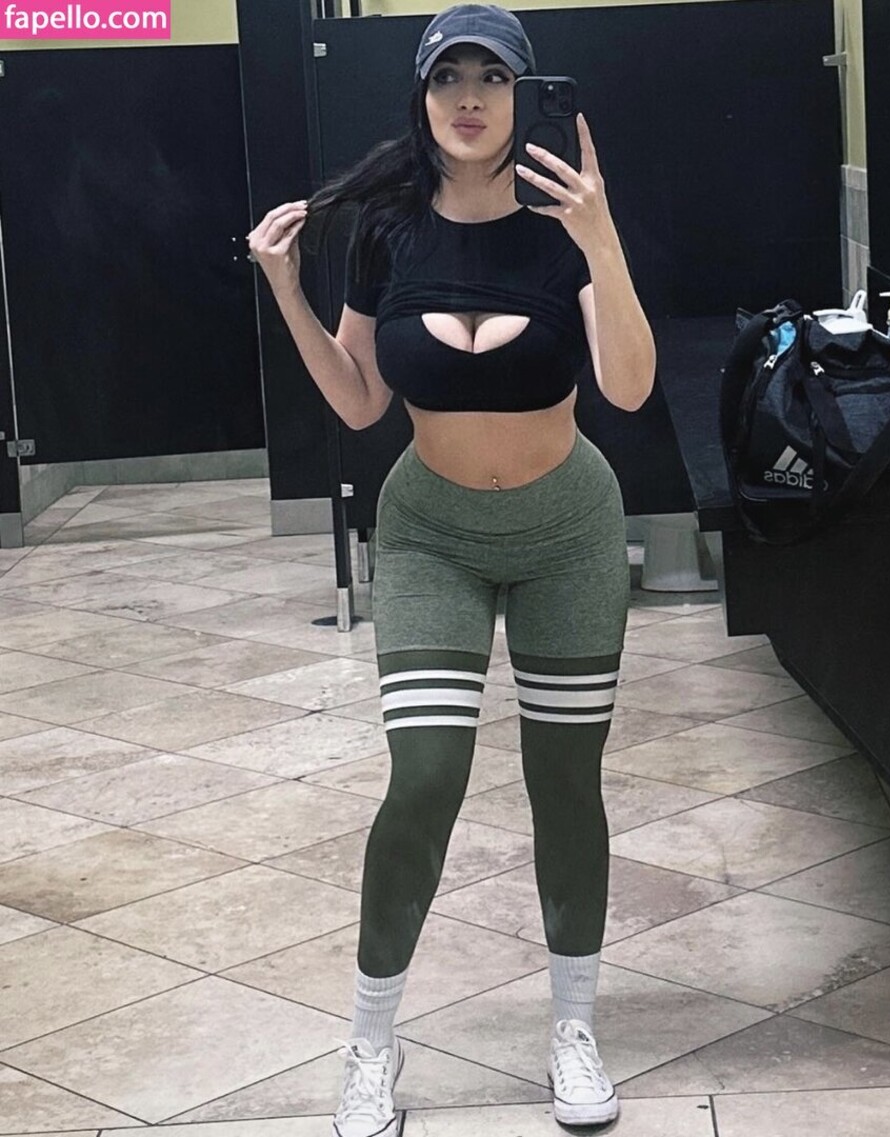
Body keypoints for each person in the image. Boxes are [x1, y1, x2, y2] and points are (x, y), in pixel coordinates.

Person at [247, 5, 654, 1133]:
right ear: (423, 97)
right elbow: (360, 401)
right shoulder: (387, 232)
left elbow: (627, 387)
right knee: (424, 775)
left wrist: (604, 238)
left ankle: (573, 1027)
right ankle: (371, 1042)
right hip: (430, 532)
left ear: (524, 95)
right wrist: (285, 289)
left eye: (492, 77)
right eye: (448, 78)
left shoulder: (564, 228)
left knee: (565, 781)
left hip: (569, 532)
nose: (468, 97)